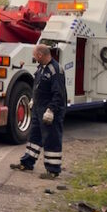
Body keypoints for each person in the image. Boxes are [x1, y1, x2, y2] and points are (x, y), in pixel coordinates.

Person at [10, 44, 67, 179]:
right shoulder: (42, 68)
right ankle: (27, 163)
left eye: (35, 55)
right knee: (34, 137)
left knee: (51, 139)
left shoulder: (55, 70)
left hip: (50, 111)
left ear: (40, 55)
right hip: (38, 109)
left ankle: (53, 170)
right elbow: (39, 86)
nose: (34, 57)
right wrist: (33, 100)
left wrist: (51, 110)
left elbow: (59, 94)